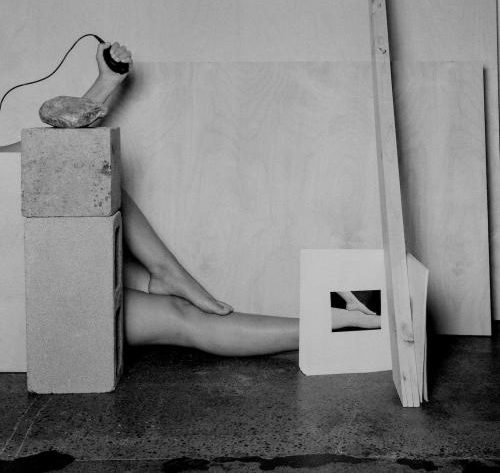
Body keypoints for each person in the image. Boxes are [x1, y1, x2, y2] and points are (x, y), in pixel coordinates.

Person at [84, 42, 380, 355]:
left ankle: (343, 321)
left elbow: (66, 161)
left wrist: (106, 82)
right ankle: (168, 272)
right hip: (56, 307)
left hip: (74, 287)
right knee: (87, 176)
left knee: (185, 313)